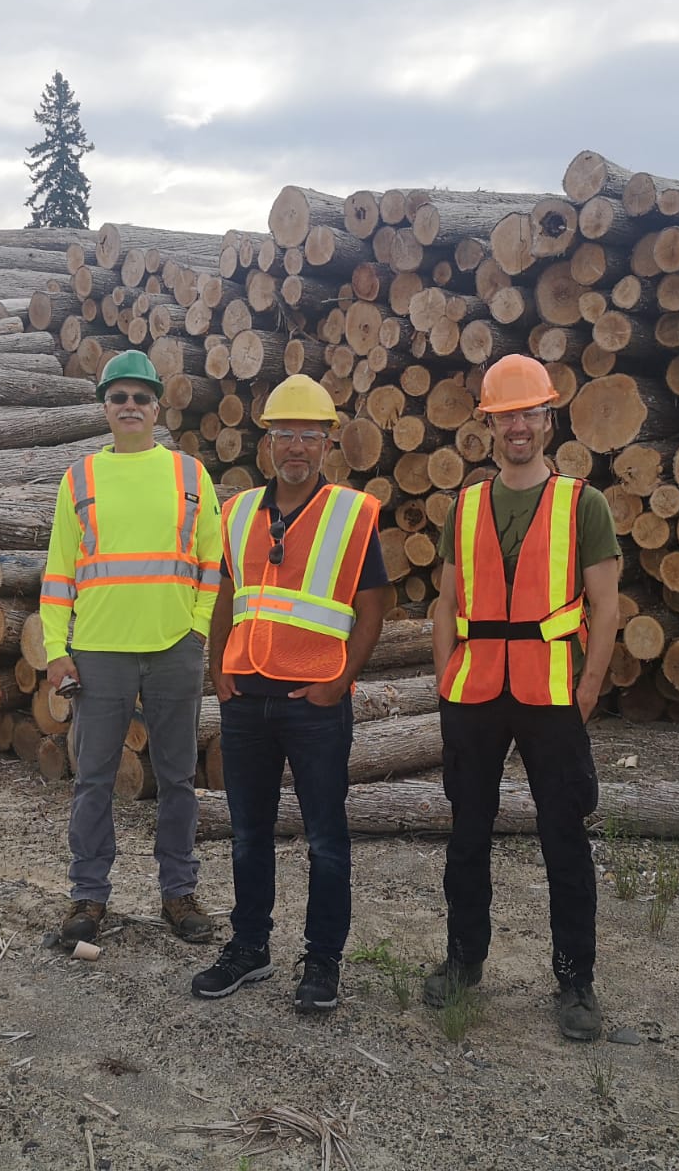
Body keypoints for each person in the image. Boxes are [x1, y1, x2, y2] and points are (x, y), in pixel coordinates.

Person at [422, 354, 620, 1042]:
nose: (518, 426)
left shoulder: (581, 504)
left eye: (530, 413)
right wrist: (446, 678)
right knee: (466, 836)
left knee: (563, 838)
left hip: (552, 693)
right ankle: (462, 960)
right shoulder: (467, 504)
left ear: (548, 416)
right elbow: (446, 602)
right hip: (474, 691)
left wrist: (587, 688)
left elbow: (606, 605)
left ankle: (575, 980)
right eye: (506, 415)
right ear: (489, 423)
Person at [188, 376, 388, 1013]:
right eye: (283, 435)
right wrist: (217, 668)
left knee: (326, 838)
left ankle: (322, 960)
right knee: (249, 833)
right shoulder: (240, 510)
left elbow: (373, 603)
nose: (295, 447)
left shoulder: (352, 514)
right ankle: (250, 947)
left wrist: (340, 680)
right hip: (246, 696)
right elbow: (227, 593)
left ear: (329, 442)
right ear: (266, 441)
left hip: (314, 702)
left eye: (308, 435)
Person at [41, 349, 224, 947]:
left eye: (140, 397)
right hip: (98, 650)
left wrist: (196, 629)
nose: (129, 406)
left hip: (174, 647)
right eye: (118, 397)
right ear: (104, 407)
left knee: (176, 778)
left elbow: (210, 563)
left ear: (157, 407)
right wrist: (55, 649)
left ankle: (179, 893)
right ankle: (88, 897)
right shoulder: (81, 479)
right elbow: (59, 572)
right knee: (93, 779)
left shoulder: (191, 476)